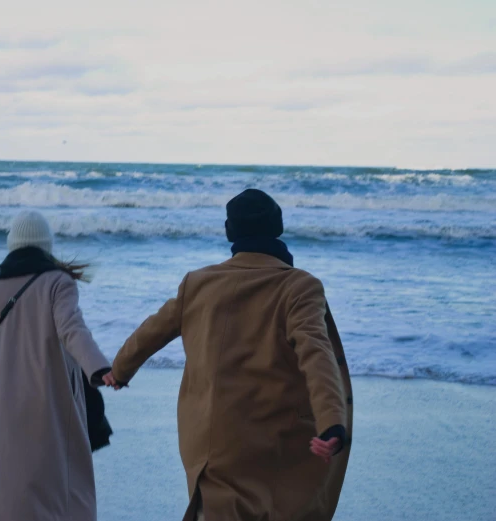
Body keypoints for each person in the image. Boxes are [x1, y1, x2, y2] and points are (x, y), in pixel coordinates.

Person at [103, 189, 353, 521]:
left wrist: (119, 371)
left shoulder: (198, 283)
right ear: (278, 227)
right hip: (275, 442)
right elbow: (316, 352)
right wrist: (331, 421)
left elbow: (151, 331)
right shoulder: (299, 286)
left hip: (212, 441)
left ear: (229, 231)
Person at [0, 210, 111, 521]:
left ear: (12, 246)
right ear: (46, 245)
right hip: (51, 404)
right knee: (63, 494)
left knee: (12, 497)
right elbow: (73, 330)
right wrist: (98, 368)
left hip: (6, 409)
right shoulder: (58, 282)